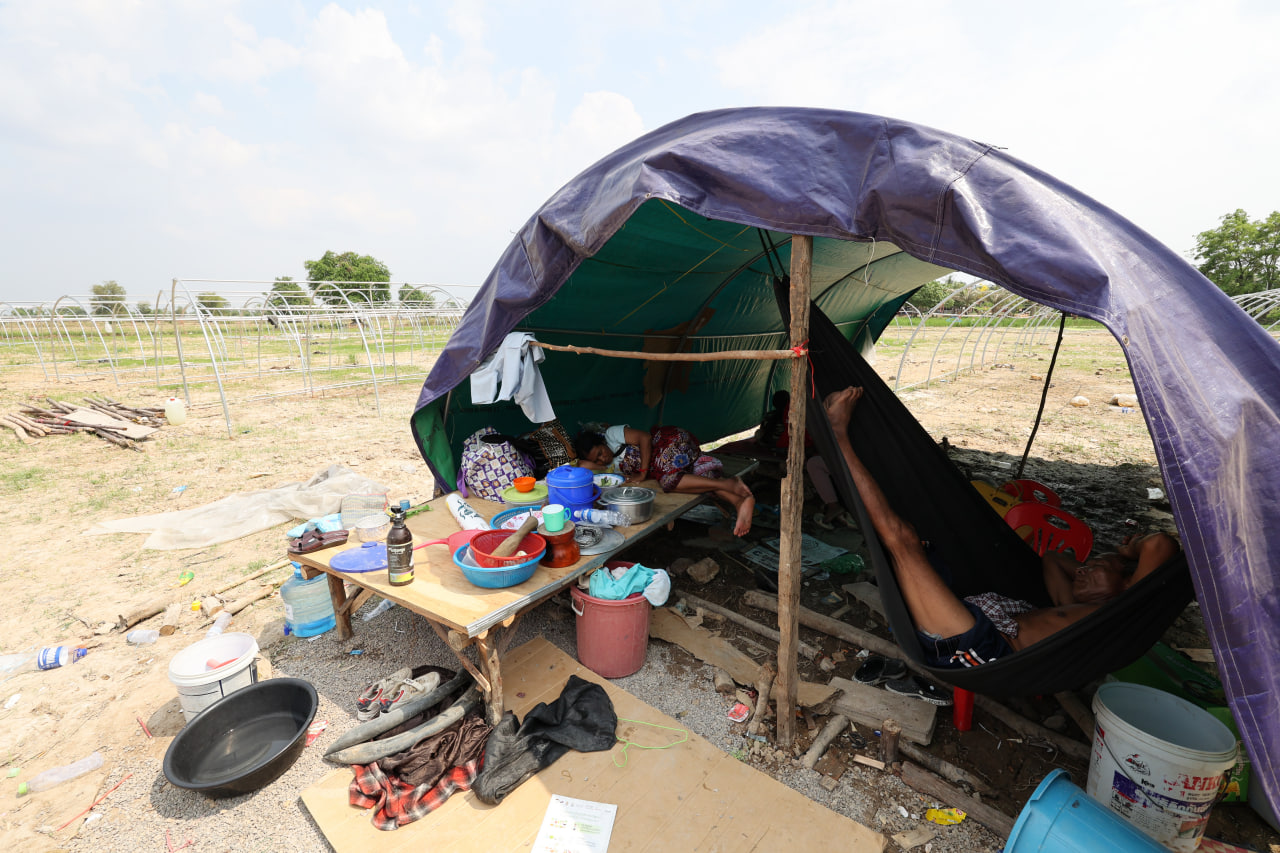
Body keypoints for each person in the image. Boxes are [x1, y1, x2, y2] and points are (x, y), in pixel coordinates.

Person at [824, 386, 1180, 668]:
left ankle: (838, 435)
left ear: (1127, 582)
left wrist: (1127, 552)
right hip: (977, 627)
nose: (1082, 570)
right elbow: (1053, 559)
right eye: (1085, 567)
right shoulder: (1071, 603)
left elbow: (1160, 544)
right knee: (912, 542)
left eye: (1096, 567)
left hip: (984, 649)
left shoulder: (1119, 613)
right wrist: (1104, 569)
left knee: (902, 541)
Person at [573, 424, 756, 537]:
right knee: (701, 479)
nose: (602, 459)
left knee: (669, 482)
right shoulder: (610, 466)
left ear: (601, 442)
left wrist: (642, 473)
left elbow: (645, 438)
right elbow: (582, 466)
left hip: (670, 442)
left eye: (600, 452)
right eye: (597, 460)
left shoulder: (612, 434)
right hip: (668, 465)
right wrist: (590, 463)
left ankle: (728, 484)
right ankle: (740, 501)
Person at [756, 390, 852, 530]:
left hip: (787, 445)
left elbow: (791, 435)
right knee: (807, 462)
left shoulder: (793, 411)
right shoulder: (799, 409)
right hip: (793, 445)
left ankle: (829, 503)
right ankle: (830, 503)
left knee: (802, 463)